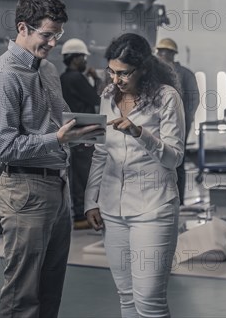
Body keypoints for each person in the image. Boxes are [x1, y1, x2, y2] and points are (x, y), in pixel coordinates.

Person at [0, 0, 104, 318]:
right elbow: (3, 146)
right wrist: (57, 140)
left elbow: (59, 122)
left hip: (56, 188)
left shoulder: (46, 70)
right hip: (25, 192)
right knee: (23, 290)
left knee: (50, 286)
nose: (52, 43)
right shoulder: (3, 78)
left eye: (57, 35)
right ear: (23, 28)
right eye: (46, 35)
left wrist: (82, 135)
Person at [85, 33, 185, 318]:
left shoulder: (166, 98)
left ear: (143, 68)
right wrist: (90, 201)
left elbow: (174, 157)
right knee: (126, 299)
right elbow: (101, 152)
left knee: (150, 304)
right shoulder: (108, 97)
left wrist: (140, 133)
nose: (115, 79)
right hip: (112, 209)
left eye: (123, 73)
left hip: (153, 208)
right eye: (111, 71)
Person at [60, 38, 101, 229]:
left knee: (76, 174)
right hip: (86, 131)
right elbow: (95, 98)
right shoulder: (77, 78)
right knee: (88, 174)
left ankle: (78, 214)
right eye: (83, 57)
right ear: (76, 59)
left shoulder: (62, 78)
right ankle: (87, 213)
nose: (85, 61)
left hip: (71, 130)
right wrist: (97, 79)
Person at [155, 38, 200, 205]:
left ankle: (178, 200)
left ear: (173, 54)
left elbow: (193, 101)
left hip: (179, 123)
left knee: (177, 160)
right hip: (157, 121)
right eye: (159, 52)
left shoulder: (185, 74)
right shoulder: (154, 73)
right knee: (157, 159)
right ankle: (161, 200)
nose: (161, 54)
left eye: (165, 52)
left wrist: (185, 121)